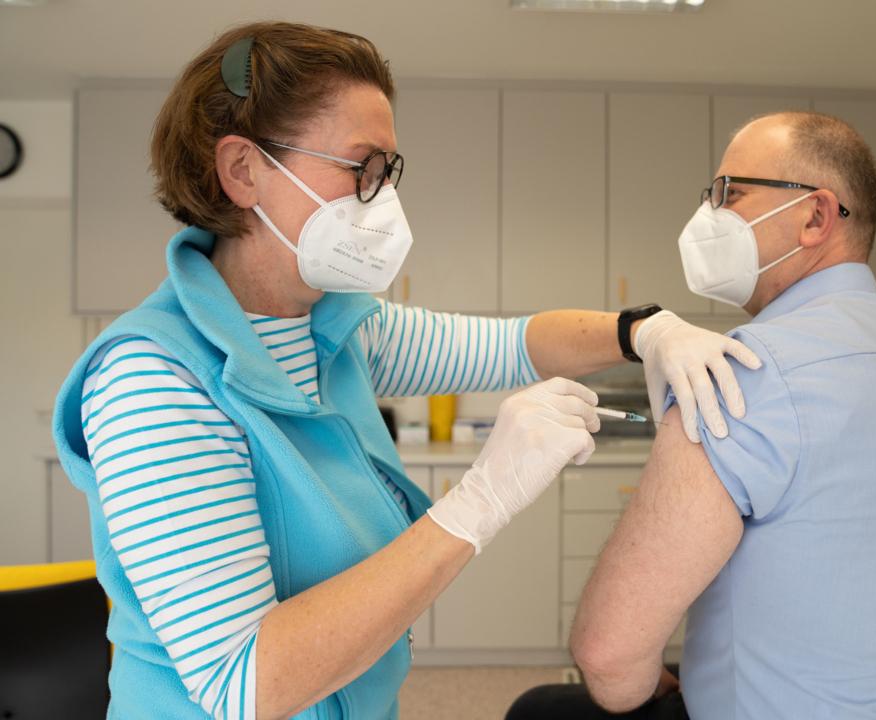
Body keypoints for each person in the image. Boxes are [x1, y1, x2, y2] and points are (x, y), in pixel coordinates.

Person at [51, 22, 761, 720]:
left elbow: (512, 345)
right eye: (360, 168)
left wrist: (642, 331)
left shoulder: (340, 327)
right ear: (243, 171)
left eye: (387, 172)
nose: (382, 199)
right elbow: (246, 685)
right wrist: (477, 502)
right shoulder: (152, 379)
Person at [510, 111, 876, 720]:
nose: (709, 216)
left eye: (731, 193)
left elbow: (608, 657)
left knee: (542, 710)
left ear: (816, 217)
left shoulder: (743, 370)